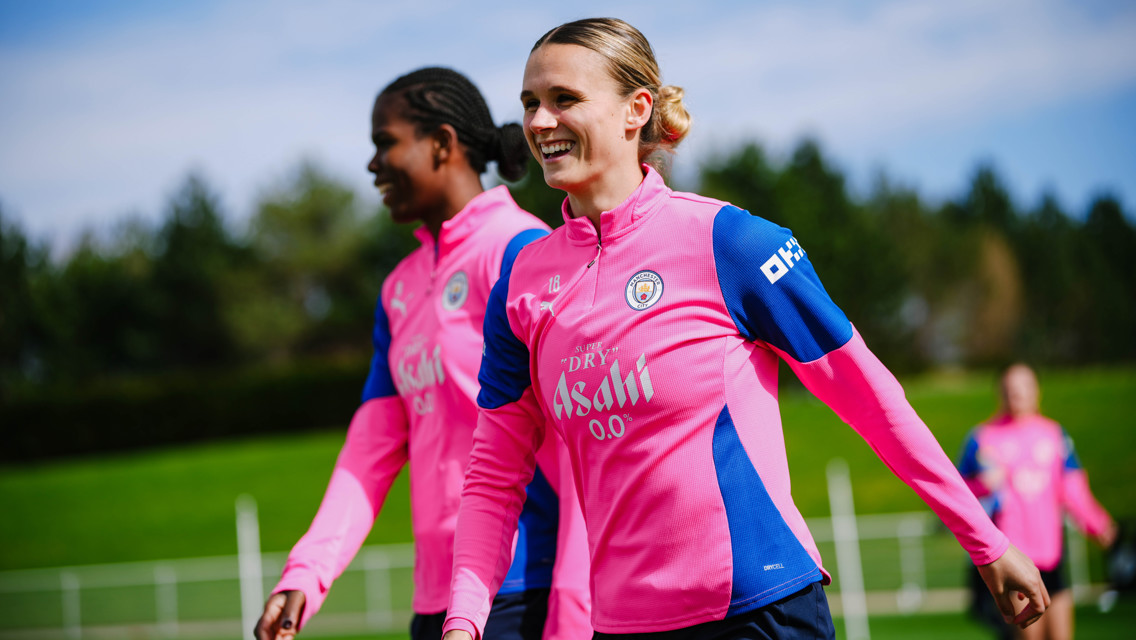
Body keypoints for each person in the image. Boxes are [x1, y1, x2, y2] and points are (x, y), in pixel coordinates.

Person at [440, 18, 1050, 640]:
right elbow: (493, 475)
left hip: (761, 612)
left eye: (563, 99)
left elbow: (870, 399)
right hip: (621, 626)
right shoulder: (519, 283)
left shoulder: (732, 243)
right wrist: (464, 623)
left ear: (636, 109)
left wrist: (987, 543)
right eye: (529, 104)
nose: (539, 122)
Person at [254, 67, 591, 640]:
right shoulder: (397, 290)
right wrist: (307, 572)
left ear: (441, 143)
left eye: (385, 143)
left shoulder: (524, 253)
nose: (372, 165)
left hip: (524, 589)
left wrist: (574, 606)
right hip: (435, 603)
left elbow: (581, 441)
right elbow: (370, 450)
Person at [959, 363, 1116, 640]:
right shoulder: (982, 439)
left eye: (1023, 387)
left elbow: (1073, 489)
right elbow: (958, 493)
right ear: (1000, 392)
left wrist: (1099, 525)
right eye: (1010, 388)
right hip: (1013, 557)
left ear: (1036, 391)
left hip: (1052, 554)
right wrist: (985, 484)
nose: (1016, 393)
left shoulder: (1055, 435)